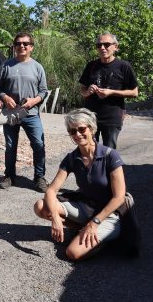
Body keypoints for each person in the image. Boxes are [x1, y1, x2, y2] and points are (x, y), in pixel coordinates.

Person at [33, 108, 129, 260]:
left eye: (81, 129)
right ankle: (83, 230)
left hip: (109, 214)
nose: (77, 134)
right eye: (72, 131)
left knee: (73, 253)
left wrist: (95, 223)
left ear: (91, 129)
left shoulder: (110, 156)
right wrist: (56, 219)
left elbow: (119, 197)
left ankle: (103, 239)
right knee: (41, 206)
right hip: (86, 208)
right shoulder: (72, 158)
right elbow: (51, 191)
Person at [0, 32, 49, 192]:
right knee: (10, 146)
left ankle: (39, 177)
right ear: (14, 46)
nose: (22, 46)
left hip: (31, 114)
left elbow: (43, 91)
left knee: (38, 144)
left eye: (26, 43)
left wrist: (34, 101)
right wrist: (5, 97)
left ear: (31, 47)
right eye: (18, 43)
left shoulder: (37, 67)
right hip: (11, 113)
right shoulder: (6, 65)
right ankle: (9, 175)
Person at [79, 33, 138, 149]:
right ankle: (92, 168)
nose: (102, 48)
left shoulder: (124, 66)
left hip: (112, 117)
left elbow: (134, 92)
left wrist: (111, 92)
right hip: (90, 116)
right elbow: (82, 89)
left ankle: (109, 168)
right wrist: (88, 91)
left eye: (106, 45)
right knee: (88, 149)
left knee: (109, 152)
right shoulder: (91, 66)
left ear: (115, 47)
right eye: (99, 45)